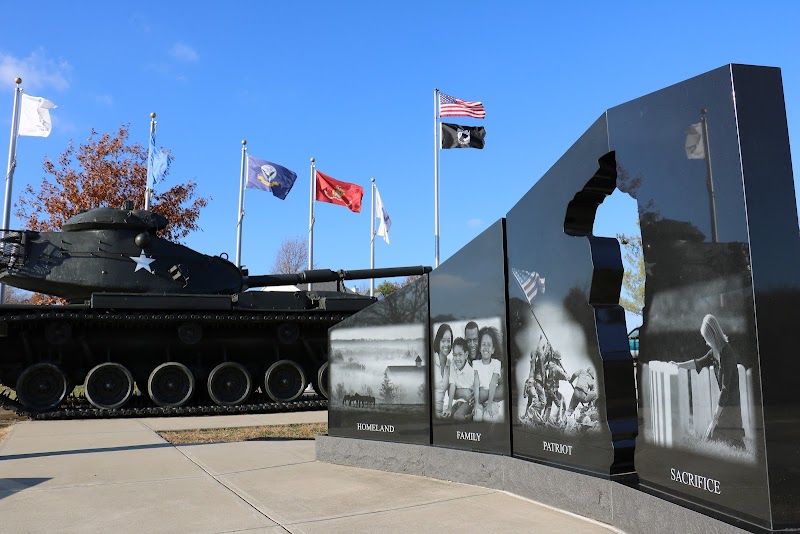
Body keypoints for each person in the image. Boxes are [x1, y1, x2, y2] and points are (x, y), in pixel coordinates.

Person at [673, 314, 745, 449]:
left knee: (719, 440)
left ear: (712, 336)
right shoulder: (714, 353)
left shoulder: (727, 354)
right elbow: (698, 363)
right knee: (712, 439)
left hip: (731, 407)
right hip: (724, 406)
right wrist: (679, 365)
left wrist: (715, 419)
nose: (706, 342)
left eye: (707, 339)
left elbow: (725, 389)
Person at [472, 326, 504, 422]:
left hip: (492, 400)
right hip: (479, 400)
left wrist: (489, 404)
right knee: (477, 416)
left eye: (489, 345)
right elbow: (476, 383)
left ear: (493, 349)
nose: (486, 347)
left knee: (487, 418)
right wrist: (476, 403)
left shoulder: (496, 363)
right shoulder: (475, 363)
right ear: (479, 348)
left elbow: (493, 384)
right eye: (483, 344)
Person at [443, 338, 474, 420]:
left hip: (469, 403)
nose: (457, 358)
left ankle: (469, 418)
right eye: (455, 355)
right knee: (447, 417)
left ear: (466, 355)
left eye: (460, 355)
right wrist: (449, 407)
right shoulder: (453, 365)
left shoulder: (471, 372)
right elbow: (452, 385)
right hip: (458, 402)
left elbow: (474, 393)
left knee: (457, 416)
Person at [432, 323, 453, 416]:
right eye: (443, 341)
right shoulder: (432, 361)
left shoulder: (450, 365)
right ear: (438, 341)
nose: (446, 344)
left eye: (449, 341)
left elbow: (454, 388)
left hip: (440, 413)